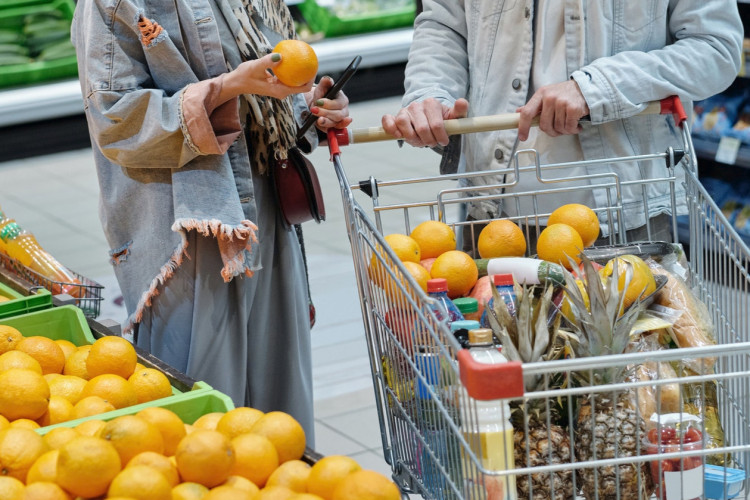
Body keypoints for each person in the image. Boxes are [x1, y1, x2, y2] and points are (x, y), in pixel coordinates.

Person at [71, 0, 352, 443]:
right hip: (188, 228)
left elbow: (273, 90)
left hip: (266, 214)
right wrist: (225, 89)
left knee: (280, 414)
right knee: (201, 422)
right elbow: (115, 120)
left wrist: (309, 109)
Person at [382, 1, 743, 251]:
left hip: (621, 218)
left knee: (622, 361)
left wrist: (598, 87)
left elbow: (715, 48)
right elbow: (444, 23)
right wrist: (430, 92)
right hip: (492, 214)